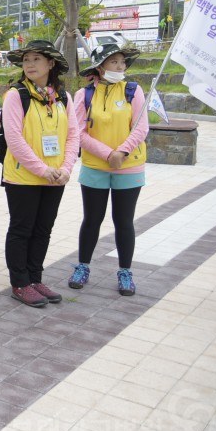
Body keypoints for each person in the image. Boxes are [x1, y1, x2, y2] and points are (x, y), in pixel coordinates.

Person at [1, 40, 79, 308]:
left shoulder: (61, 97)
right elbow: (14, 138)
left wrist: (66, 168)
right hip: (25, 177)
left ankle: (35, 277)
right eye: (26, 60)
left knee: (43, 229)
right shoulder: (16, 95)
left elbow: (73, 135)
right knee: (22, 229)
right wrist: (43, 169)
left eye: (36, 59)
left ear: (50, 64)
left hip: (55, 177)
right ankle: (20, 282)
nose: (30, 64)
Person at [71, 44, 148, 297]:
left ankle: (125, 271)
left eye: (122, 62)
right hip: (95, 166)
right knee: (91, 219)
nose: (120, 66)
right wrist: (107, 154)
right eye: (114, 62)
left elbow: (140, 127)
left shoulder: (133, 91)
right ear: (100, 67)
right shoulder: (84, 94)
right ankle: (83, 266)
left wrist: (122, 152)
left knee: (123, 221)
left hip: (129, 165)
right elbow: (79, 132)